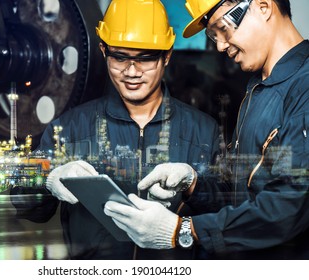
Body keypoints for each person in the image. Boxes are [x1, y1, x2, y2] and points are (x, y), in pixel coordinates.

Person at [13, 0, 221, 260]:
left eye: (145, 59)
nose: (131, 72)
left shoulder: (203, 131)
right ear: (103, 50)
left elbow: (226, 214)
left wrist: (194, 184)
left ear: (166, 55)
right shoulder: (69, 128)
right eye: (120, 57)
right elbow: (25, 206)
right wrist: (46, 179)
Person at [104, 0, 309, 259]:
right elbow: (239, 197)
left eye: (223, 28)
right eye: (213, 35)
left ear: (263, 7)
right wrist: (193, 182)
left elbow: (290, 207)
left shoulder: (304, 87)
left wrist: (184, 229)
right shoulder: (258, 90)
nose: (221, 45)